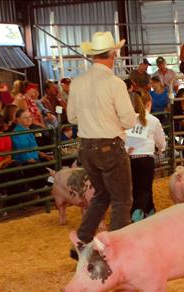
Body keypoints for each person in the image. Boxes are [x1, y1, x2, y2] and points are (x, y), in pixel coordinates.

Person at [68, 31, 136, 249]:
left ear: (93, 55)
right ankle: (116, 250)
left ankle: (83, 241)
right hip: (109, 146)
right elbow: (128, 119)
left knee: (101, 195)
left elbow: (72, 117)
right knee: (122, 200)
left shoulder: (77, 82)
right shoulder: (115, 83)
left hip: (86, 147)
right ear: (113, 54)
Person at [125, 92, 166, 222]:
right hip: (146, 158)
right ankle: (136, 213)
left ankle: (150, 211)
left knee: (138, 187)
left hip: (129, 159)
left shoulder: (126, 120)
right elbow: (161, 141)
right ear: (148, 103)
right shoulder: (153, 120)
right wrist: (161, 149)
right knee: (145, 188)